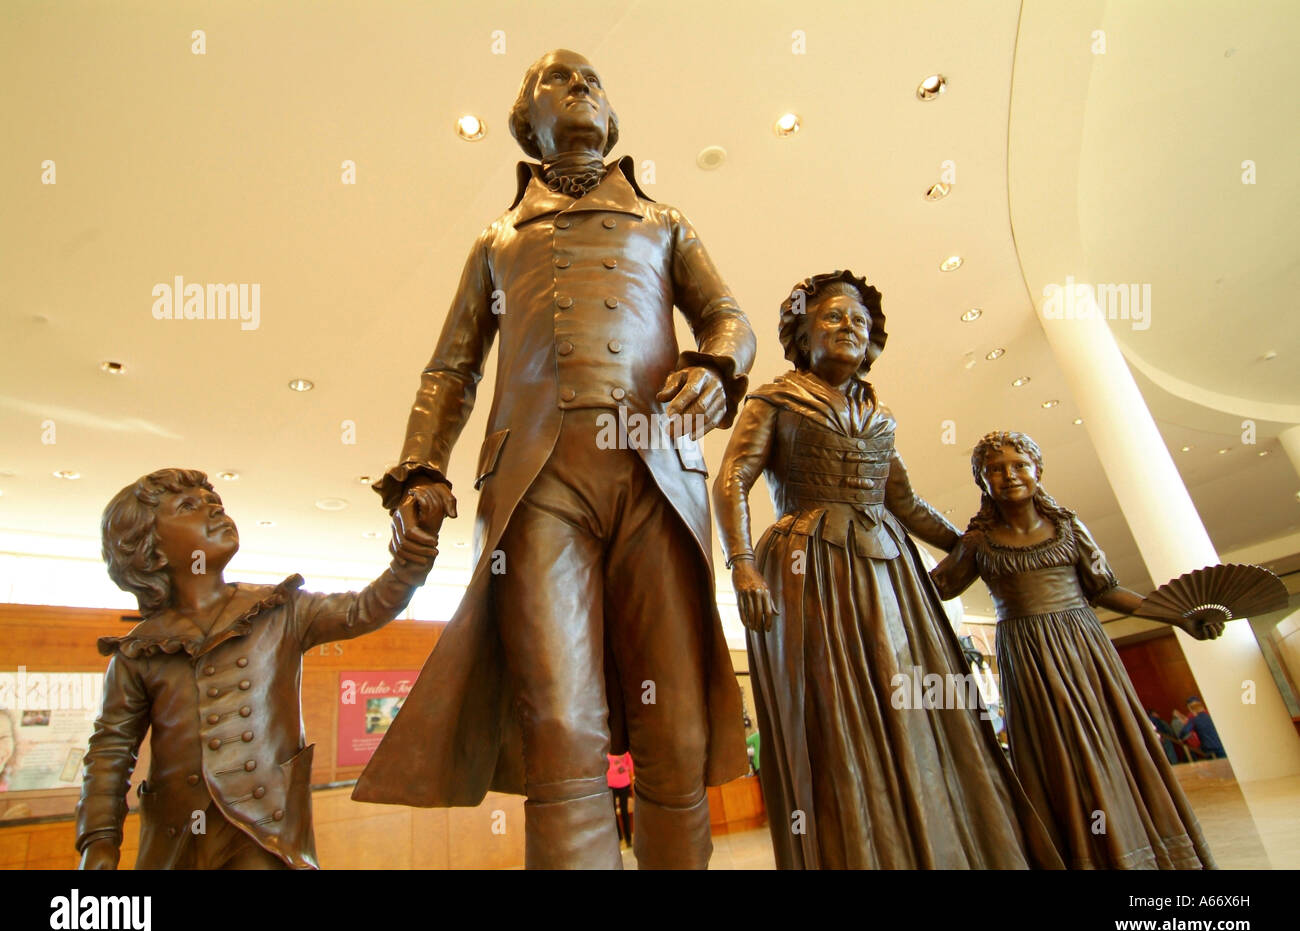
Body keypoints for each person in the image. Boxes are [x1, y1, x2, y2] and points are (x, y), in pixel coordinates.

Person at [353, 50, 755, 869]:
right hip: (540, 486)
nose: (581, 87)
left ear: (611, 121)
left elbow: (729, 319)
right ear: (527, 127)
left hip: (657, 480)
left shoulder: (664, 221)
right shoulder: (497, 241)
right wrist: (420, 464)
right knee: (561, 725)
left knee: (674, 724)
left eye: (594, 81)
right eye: (556, 80)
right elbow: (450, 369)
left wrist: (716, 371)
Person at [714, 270, 1061, 869]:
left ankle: (938, 841)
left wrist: (978, 545)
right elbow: (732, 480)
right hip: (809, 567)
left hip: (889, 570)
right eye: (833, 317)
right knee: (833, 705)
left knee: (916, 701)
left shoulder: (880, 414)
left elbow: (905, 503)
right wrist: (742, 565)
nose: (850, 326)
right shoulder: (774, 399)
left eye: (860, 321)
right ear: (801, 331)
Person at [77, 468, 436, 869]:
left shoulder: (280, 610)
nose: (213, 508)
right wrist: (99, 842)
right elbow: (110, 750)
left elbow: (369, 606)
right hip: (177, 839)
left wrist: (414, 549)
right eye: (189, 506)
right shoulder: (139, 649)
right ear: (152, 551)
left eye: (214, 502)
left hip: (266, 832)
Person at [931, 431, 1218, 869]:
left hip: (1085, 651)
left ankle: (1148, 852)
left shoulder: (1068, 528)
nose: (1009, 476)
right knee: (1055, 755)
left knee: (1113, 744)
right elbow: (933, 591)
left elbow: (1107, 589)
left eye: (1019, 465)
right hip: (1027, 658)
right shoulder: (977, 544)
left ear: (1037, 471)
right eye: (995, 469)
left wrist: (1178, 615)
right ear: (982, 481)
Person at [606, 752, 633, 847]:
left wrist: (632, 784)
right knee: (612, 812)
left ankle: (628, 839)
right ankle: (619, 838)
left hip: (624, 784)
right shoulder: (606, 751)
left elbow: (631, 767)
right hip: (611, 784)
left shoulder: (625, 752)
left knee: (624, 811)